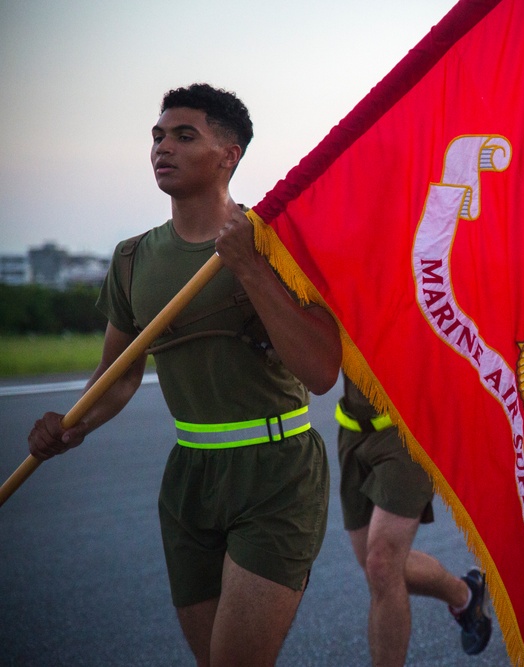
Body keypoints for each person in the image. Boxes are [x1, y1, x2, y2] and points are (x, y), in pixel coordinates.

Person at [27, 84, 343, 666]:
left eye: (183, 135)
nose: (161, 148)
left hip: (277, 474)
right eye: (157, 136)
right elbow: (117, 378)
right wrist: (69, 426)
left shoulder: (276, 246)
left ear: (229, 154)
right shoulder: (131, 260)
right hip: (189, 479)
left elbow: (322, 371)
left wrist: (249, 267)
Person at [336, 376, 492, 666]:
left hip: (410, 427)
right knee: (375, 565)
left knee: (381, 565)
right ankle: (466, 595)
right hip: (353, 426)